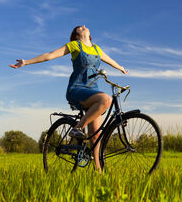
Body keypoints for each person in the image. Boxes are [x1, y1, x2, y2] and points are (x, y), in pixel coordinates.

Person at [10, 25, 128, 172]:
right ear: (77, 35)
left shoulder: (97, 49)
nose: (84, 26)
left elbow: (110, 60)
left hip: (93, 91)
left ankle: (98, 172)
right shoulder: (74, 45)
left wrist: (121, 68)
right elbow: (50, 55)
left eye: (85, 26)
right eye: (80, 27)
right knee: (106, 100)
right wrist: (26, 62)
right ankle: (77, 128)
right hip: (77, 89)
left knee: (96, 135)